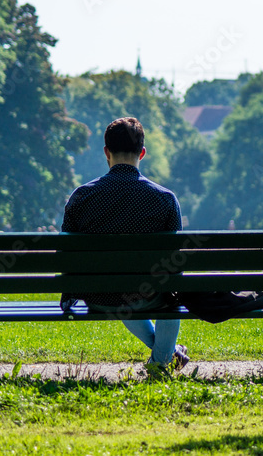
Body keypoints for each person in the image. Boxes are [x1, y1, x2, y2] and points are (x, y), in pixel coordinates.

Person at [60, 117, 188, 378]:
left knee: (122, 290)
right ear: (142, 152)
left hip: (98, 297)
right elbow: (174, 262)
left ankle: (165, 357)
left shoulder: (82, 196)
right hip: (146, 295)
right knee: (168, 291)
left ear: (106, 153)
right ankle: (161, 363)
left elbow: (65, 255)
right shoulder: (165, 199)